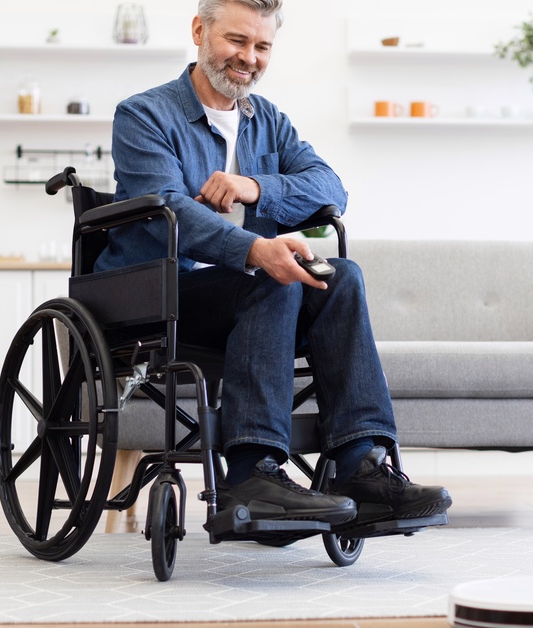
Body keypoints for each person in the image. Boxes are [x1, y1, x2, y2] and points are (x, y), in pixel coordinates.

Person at [95, 0, 451, 527]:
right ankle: (250, 473)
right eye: (236, 41)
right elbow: (166, 211)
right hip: (161, 295)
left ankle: (361, 466)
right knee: (272, 275)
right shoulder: (144, 115)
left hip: (252, 300)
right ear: (199, 30)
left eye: (262, 46)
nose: (249, 57)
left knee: (341, 277)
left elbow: (331, 188)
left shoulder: (270, 123)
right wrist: (254, 250)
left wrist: (256, 186)